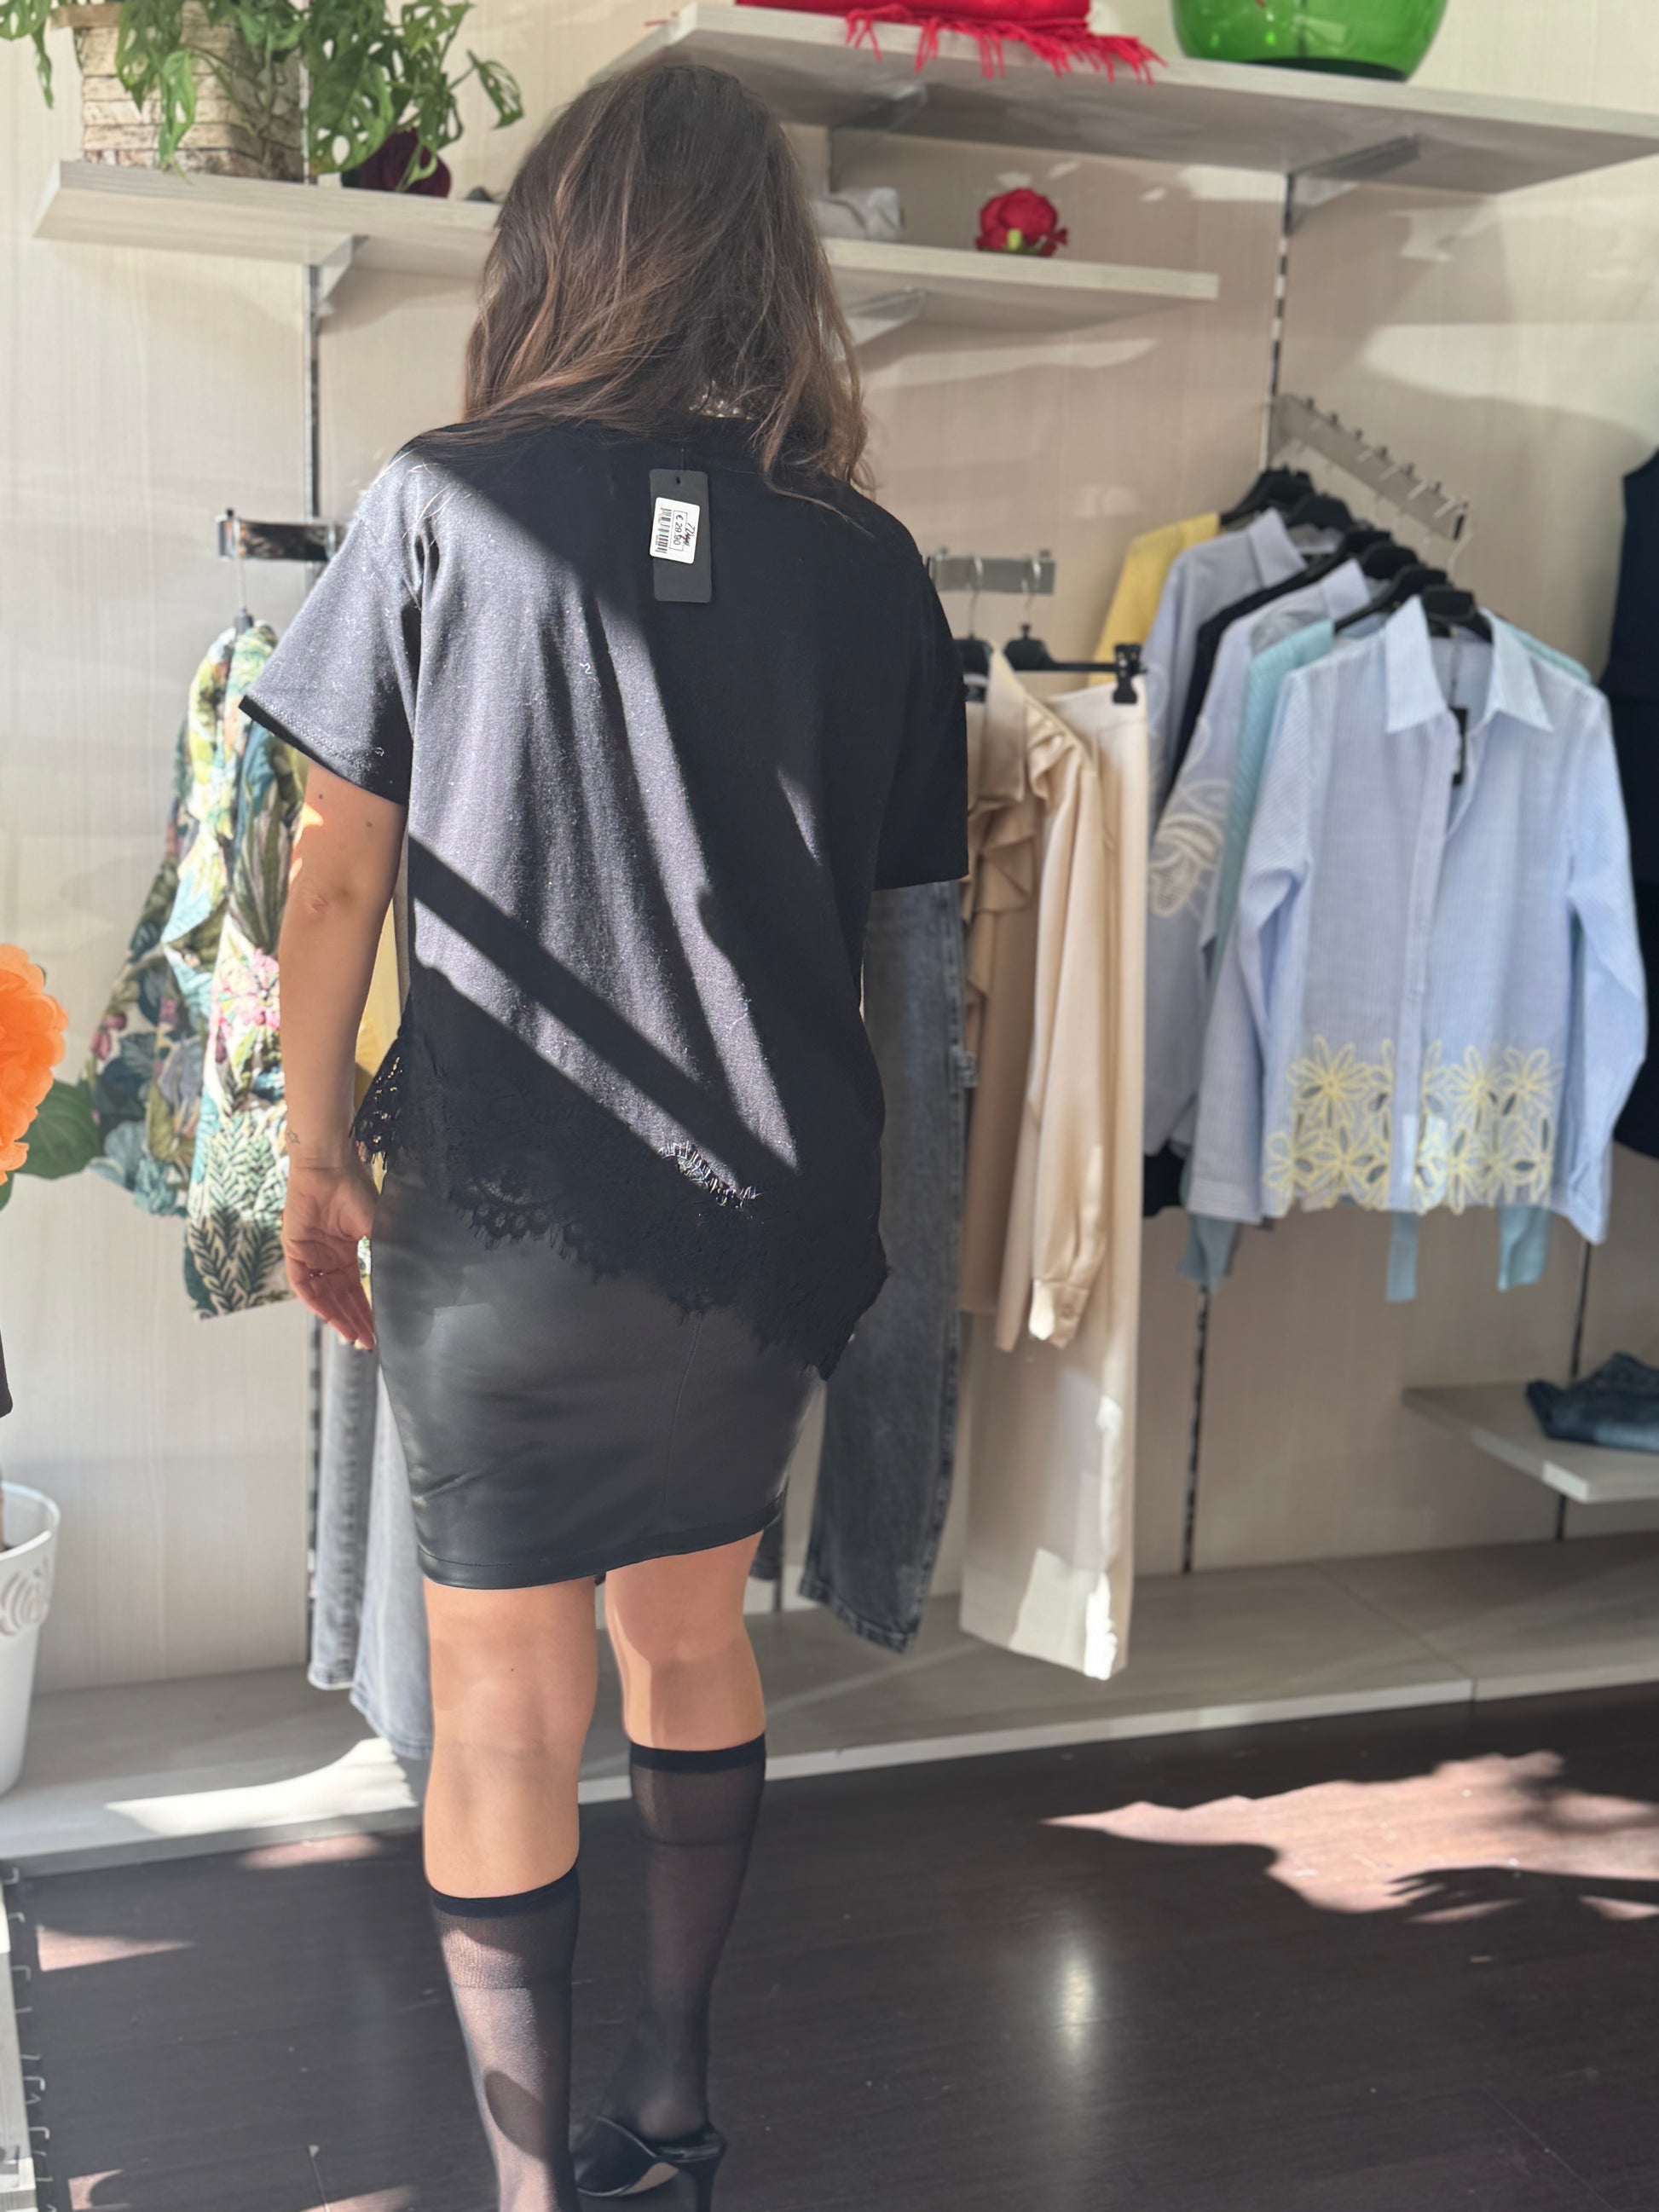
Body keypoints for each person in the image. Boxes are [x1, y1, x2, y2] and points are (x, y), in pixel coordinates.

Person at [245, 55, 967, 2212]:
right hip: (761, 1223)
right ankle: (675, 2101)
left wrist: (311, 1150)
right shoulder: (871, 563)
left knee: (500, 1705)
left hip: (507, 1218)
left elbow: (332, 886)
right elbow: (901, 937)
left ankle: (532, 2189)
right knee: (688, 1633)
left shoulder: (433, 505)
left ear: (558, 245)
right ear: (773, 272)